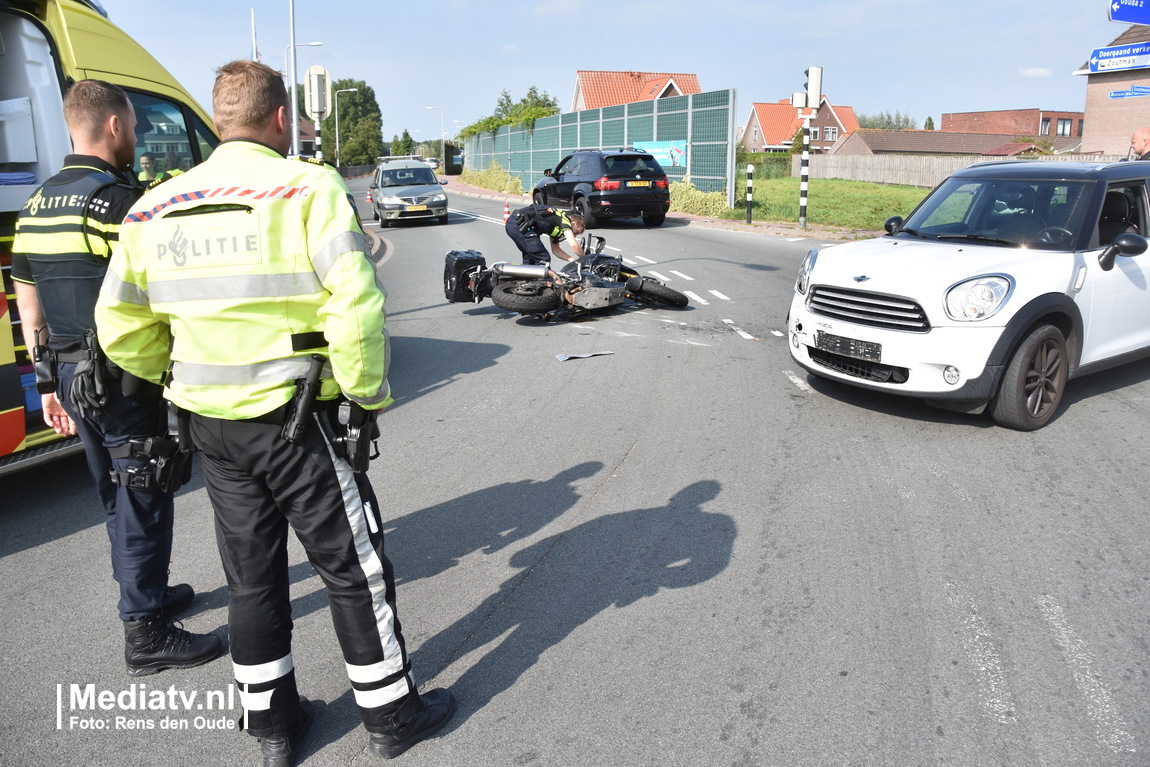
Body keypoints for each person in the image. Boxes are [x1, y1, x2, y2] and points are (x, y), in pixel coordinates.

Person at [95, 60, 455, 767]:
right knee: (354, 568)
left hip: (212, 429)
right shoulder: (308, 187)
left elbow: (121, 326)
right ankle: (390, 713)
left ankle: (273, 727)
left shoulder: (153, 207)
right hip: (301, 422)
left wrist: (178, 372)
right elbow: (356, 309)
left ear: (220, 119)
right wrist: (363, 396)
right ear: (282, 119)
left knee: (252, 578)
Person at [11, 80, 222, 676]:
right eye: (132, 125)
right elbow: (159, 291)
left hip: (70, 375)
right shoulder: (117, 202)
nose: (136, 135)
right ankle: (147, 634)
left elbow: (27, 302)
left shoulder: (36, 204)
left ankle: (146, 596)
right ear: (112, 126)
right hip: (121, 376)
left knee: (115, 490)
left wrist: (46, 384)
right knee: (144, 490)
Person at [505, 203, 585, 265]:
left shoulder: (557, 225)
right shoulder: (565, 222)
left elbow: (556, 250)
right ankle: (541, 284)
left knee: (531, 257)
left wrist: (573, 261)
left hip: (515, 225)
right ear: (574, 224)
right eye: (576, 232)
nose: (574, 235)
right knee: (543, 258)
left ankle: (524, 283)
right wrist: (584, 258)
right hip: (519, 225)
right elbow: (573, 245)